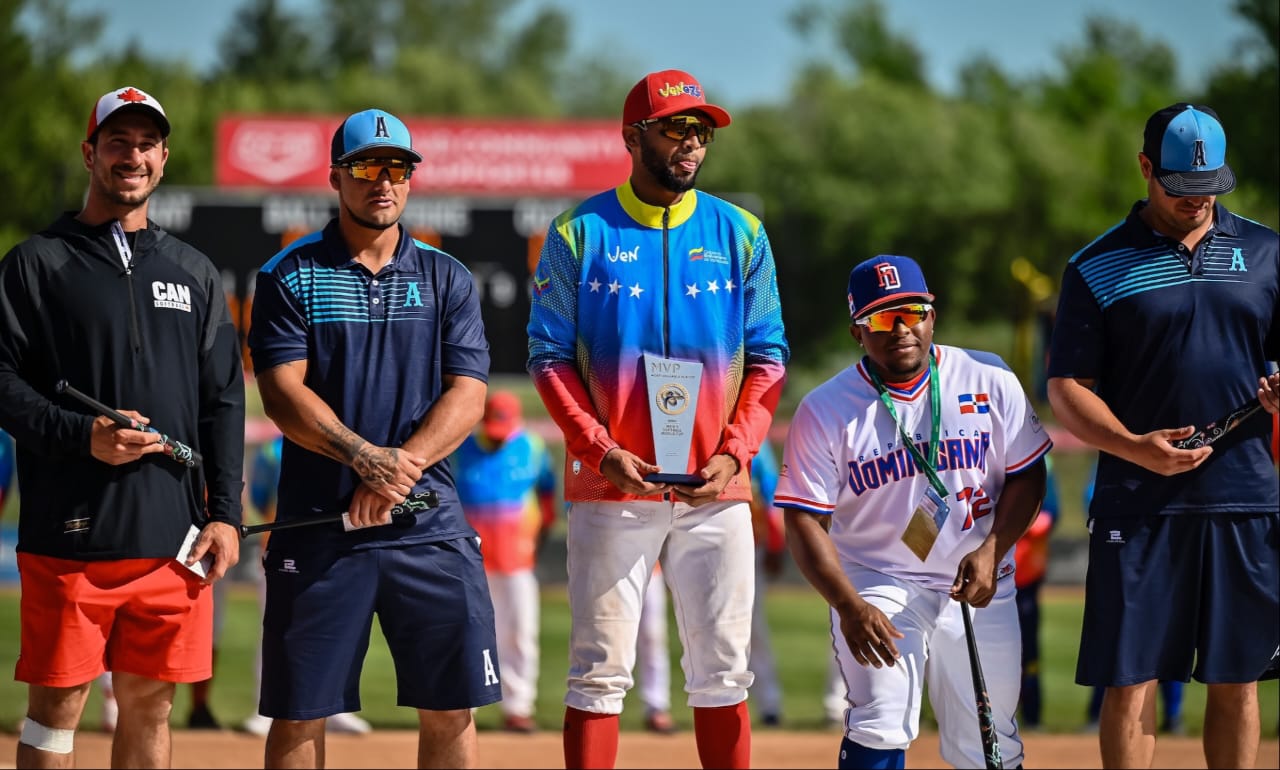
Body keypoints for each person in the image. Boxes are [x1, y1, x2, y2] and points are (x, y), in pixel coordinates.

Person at [526, 68, 789, 769]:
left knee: (724, 670)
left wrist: (736, 454)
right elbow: (547, 358)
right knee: (598, 670)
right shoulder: (577, 232)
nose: (692, 145)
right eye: (676, 129)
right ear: (632, 136)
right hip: (614, 486)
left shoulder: (742, 232)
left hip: (715, 489)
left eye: (701, 132)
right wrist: (596, 448)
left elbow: (769, 358)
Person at [246, 107, 499, 769]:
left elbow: (468, 394)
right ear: (337, 177)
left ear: (411, 179)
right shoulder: (288, 274)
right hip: (322, 526)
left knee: (451, 709)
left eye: (397, 168)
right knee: (300, 714)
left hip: (428, 524)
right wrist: (363, 457)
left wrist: (398, 471)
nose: (382, 181)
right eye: (365, 167)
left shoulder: (447, 277)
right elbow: (281, 393)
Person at [0, 85, 245, 768]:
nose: (131, 156)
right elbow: (2, 383)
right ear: (90, 154)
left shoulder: (193, 272)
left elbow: (223, 401)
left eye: (145, 144)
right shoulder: (35, 263)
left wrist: (224, 513)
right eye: (117, 142)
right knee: (57, 710)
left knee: (151, 705)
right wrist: (83, 434)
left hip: (173, 537)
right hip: (69, 533)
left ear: (163, 159)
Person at [1046, 102, 1279, 769]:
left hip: (1243, 498)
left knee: (1236, 679)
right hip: (1137, 501)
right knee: (1132, 679)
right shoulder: (1097, 266)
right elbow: (1067, 387)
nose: (1197, 202)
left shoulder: (1267, 253)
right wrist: (1132, 446)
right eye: (1181, 188)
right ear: (1147, 169)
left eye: (1210, 189)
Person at [776, 254, 1050, 769]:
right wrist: (848, 605)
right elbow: (804, 520)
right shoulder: (826, 408)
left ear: (932, 313)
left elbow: (1027, 473)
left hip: (980, 577)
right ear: (858, 331)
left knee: (989, 741)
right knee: (880, 721)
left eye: (911, 311)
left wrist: (994, 549)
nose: (900, 328)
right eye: (881, 317)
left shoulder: (989, 376)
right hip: (878, 579)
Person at [238, 435, 373, 738]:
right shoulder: (271, 451)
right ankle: (266, 708)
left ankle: (338, 707)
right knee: (276, 630)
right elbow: (260, 496)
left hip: (340, 546)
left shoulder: (343, 444)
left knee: (344, 630)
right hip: (285, 546)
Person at [452, 390, 558, 734]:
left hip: (518, 559)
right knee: (468, 632)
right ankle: (467, 704)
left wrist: (537, 539)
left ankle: (518, 707)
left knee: (520, 634)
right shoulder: (461, 449)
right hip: (471, 561)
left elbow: (547, 497)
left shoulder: (533, 447)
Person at [1078, 459, 1186, 736]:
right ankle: (1095, 713)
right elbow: (1093, 493)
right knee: (1116, 644)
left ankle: (1173, 716)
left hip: (1171, 532)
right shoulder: (1119, 454)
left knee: (1169, 644)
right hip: (1129, 529)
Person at [1012, 454, 1060, 731]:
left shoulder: (1044, 462)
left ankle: (1032, 713)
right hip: (987, 569)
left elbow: (1051, 511)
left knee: (1028, 648)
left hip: (1026, 572)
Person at [747, 438, 785, 727]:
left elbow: (772, 494)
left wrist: (775, 542)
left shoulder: (756, 441)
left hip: (748, 544)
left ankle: (769, 703)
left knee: (751, 625)